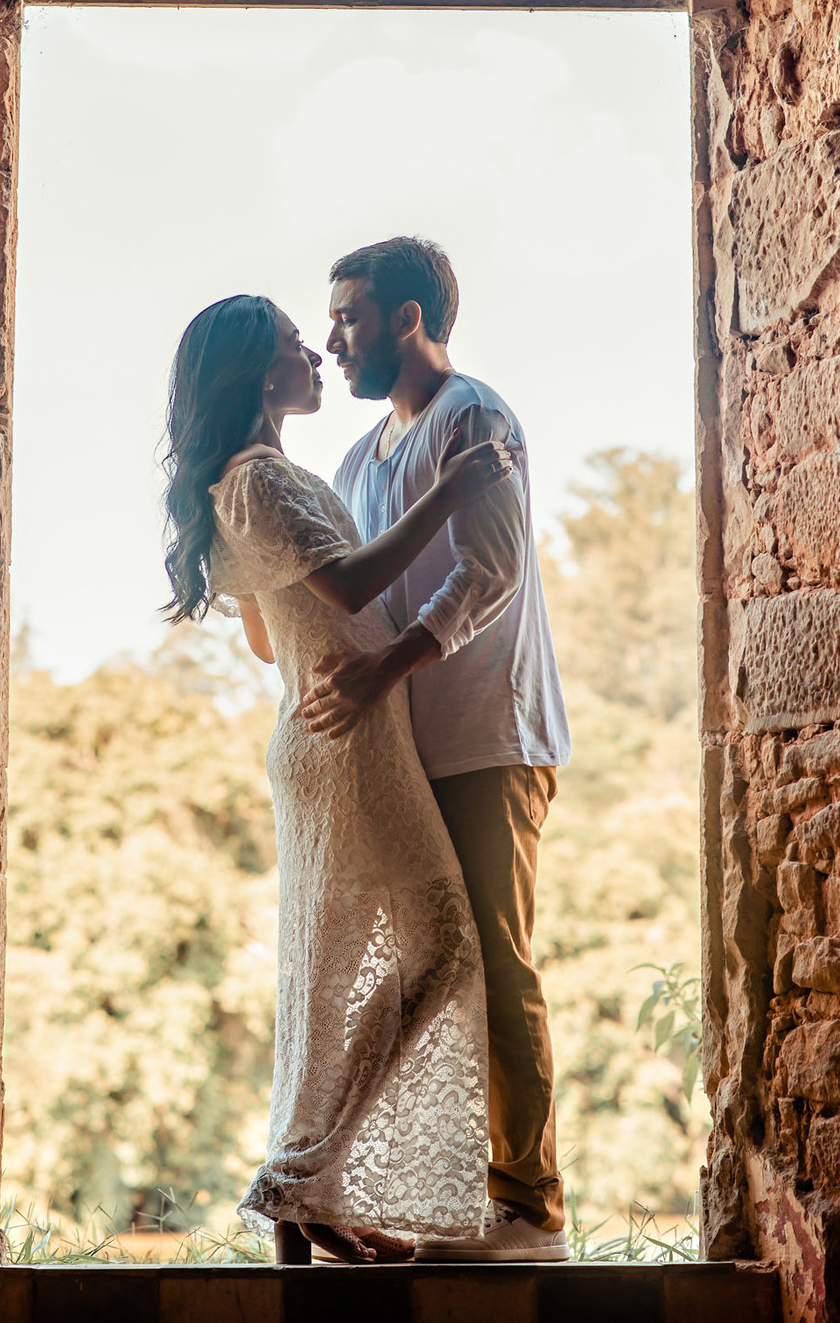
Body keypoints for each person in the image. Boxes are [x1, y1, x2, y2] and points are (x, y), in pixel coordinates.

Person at [162, 293, 513, 1266]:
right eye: (291, 343)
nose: (314, 351)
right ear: (255, 373)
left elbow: (271, 628)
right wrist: (452, 489)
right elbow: (350, 591)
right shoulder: (261, 479)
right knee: (438, 943)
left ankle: (307, 1188)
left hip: (331, 733)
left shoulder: (249, 483)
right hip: (345, 741)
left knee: (339, 971)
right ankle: (299, 1174)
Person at [300, 237, 572, 1263]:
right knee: (418, 972)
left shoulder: (477, 420)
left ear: (410, 318)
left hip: (487, 737)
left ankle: (532, 1211)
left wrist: (388, 670)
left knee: (499, 967)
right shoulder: (359, 459)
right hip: (407, 752)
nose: (334, 341)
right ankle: (384, 1190)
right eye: (330, 321)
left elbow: (490, 570)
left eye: (351, 317)